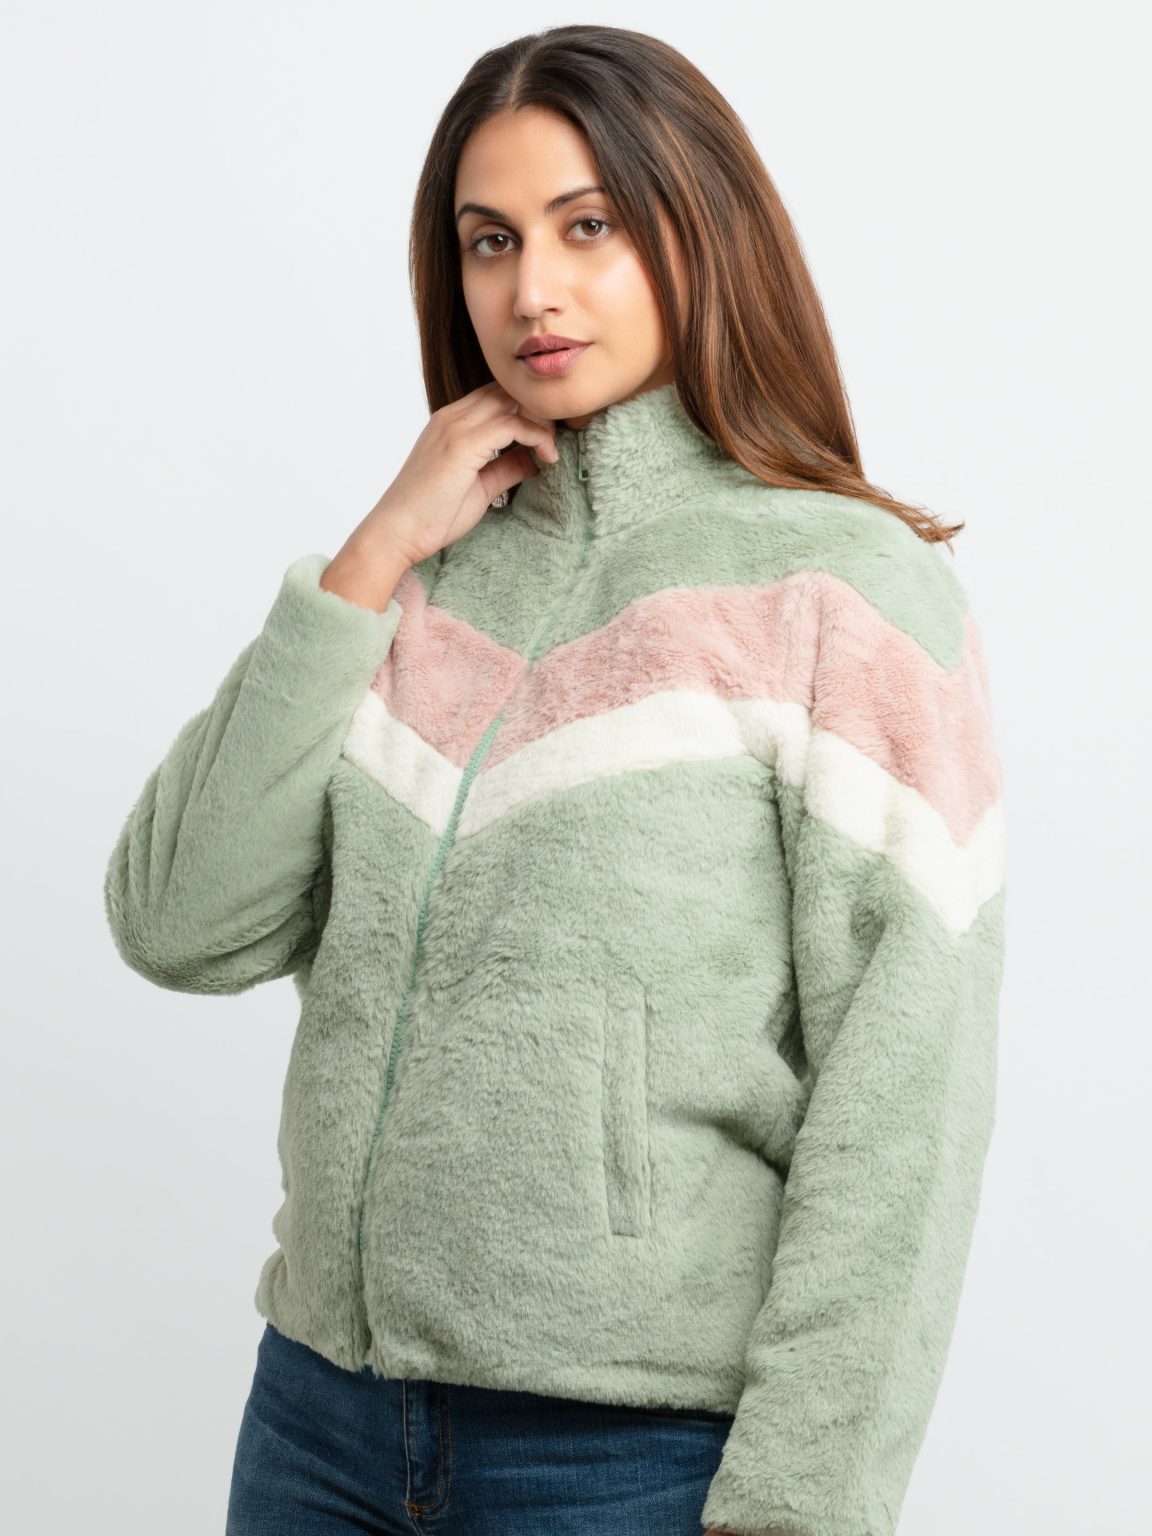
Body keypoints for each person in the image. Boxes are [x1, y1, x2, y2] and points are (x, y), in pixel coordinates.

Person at [103, 23, 1007, 1536]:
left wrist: (799, 1508)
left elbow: (905, 1107)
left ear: (696, 229)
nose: (532, 289)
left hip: (625, 1461)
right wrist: (373, 558)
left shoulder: (841, 594)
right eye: (491, 240)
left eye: (589, 227)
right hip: (318, 1423)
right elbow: (178, 924)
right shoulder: (418, 577)